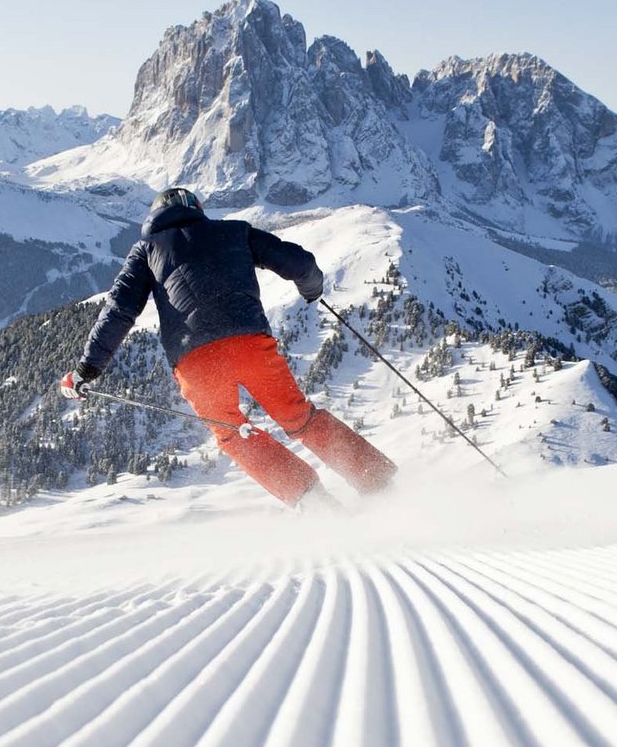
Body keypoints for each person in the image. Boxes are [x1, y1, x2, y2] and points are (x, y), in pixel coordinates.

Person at [60, 187, 397, 507]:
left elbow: (119, 311)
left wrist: (86, 370)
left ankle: (313, 501)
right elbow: (301, 264)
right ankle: (377, 482)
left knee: (233, 434)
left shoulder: (147, 251)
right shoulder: (235, 231)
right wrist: (311, 290)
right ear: (198, 210)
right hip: (250, 344)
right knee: (299, 418)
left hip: (195, 361)